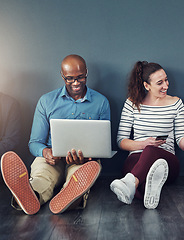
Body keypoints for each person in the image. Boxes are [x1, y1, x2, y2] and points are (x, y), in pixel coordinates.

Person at [1, 54, 111, 215]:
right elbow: (35, 142)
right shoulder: (46, 101)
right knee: (42, 176)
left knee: (78, 176)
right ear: (62, 76)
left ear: (86, 73)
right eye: (69, 78)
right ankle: (31, 194)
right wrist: (45, 152)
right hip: (52, 157)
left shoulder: (101, 102)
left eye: (80, 77)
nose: (75, 83)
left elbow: (104, 144)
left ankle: (72, 196)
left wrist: (90, 157)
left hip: (84, 160)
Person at [110, 61, 184, 209]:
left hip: (167, 163)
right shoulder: (131, 104)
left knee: (151, 152)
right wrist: (143, 144)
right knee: (141, 164)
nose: (166, 85)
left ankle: (130, 183)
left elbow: (182, 144)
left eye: (166, 80)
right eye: (160, 83)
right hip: (136, 158)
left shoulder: (176, 103)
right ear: (147, 86)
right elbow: (121, 141)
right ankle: (144, 190)